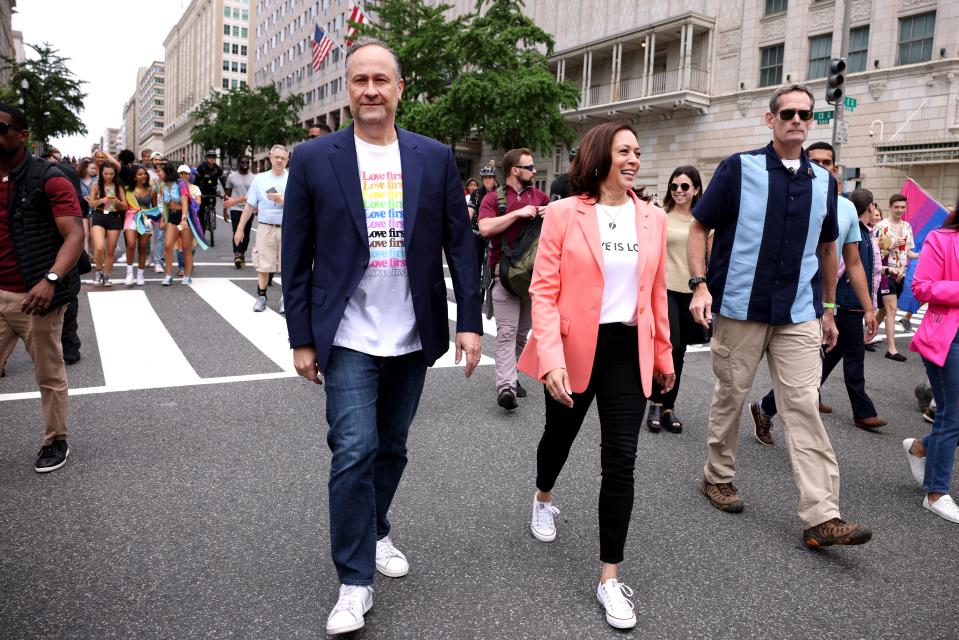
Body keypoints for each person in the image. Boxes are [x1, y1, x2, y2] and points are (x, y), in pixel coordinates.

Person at [282, 37, 482, 636]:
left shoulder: (433, 157)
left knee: (391, 447)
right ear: (348, 89)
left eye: (381, 80)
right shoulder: (315, 160)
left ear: (399, 89)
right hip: (344, 333)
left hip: (412, 333)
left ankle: (375, 527)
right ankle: (354, 580)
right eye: (359, 80)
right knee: (353, 450)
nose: (370, 89)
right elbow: (295, 257)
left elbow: (461, 245)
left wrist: (469, 321)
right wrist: (301, 338)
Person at [688, 84, 872, 548]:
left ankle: (822, 515)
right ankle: (717, 475)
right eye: (787, 112)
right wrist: (699, 283)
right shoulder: (738, 168)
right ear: (770, 119)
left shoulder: (825, 183)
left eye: (804, 114)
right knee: (731, 395)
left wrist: (829, 310)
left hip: (798, 313)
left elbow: (828, 249)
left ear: (812, 122)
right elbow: (698, 226)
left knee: (804, 406)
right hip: (739, 307)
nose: (796, 119)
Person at [516, 121, 674, 630]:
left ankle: (609, 578)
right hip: (573, 346)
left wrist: (663, 356)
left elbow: (655, 295)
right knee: (558, 436)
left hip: (629, 349)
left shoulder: (651, 216)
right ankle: (543, 496)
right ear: (600, 154)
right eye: (624, 150)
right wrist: (552, 357)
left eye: (638, 151)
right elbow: (543, 290)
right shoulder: (564, 213)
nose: (634, 158)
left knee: (621, 460)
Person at [751, 144, 882, 440]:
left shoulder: (846, 208)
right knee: (811, 372)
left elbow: (853, 261)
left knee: (823, 365)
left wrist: (869, 307)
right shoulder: (788, 196)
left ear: (835, 169)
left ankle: (770, 410)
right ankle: (772, 410)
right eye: (815, 161)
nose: (822, 166)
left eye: (828, 162)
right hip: (796, 298)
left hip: (831, 300)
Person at [0, 103, 84, 472]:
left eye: (1, 128)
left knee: (49, 374)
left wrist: (51, 279)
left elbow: (75, 235)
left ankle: (55, 441)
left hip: (35, 296)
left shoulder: (49, 178)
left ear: (22, 135)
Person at [478, 148, 550, 410]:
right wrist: (517, 214)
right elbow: (485, 228)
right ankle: (505, 386)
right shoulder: (493, 199)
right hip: (503, 277)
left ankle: (512, 374)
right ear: (514, 171)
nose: (534, 171)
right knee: (507, 333)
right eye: (529, 167)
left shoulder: (541, 197)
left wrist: (548, 213)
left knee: (521, 335)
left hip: (533, 279)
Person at [902, 205, 959, 523]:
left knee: (953, 416)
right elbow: (921, 286)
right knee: (953, 413)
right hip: (949, 340)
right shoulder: (942, 238)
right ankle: (936, 493)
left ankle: (922, 447)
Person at [645, 165, 707, 434]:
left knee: (680, 353)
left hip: (692, 293)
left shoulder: (704, 221)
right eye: (674, 186)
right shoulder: (661, 216)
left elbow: (710, 260)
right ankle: (655, 402)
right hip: (664, 290)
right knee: (670, 345)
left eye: (684, 186)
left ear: (696, 189)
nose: (679, 191)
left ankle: (668, 406)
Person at [234, 145, 288, 312]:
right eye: (276, 157)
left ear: (287, 160)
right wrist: (240, 229)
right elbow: (250, 206)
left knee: (288, 265)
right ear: (270, 157)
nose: (279, 160)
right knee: (263, 265)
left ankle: (286, 299)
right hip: (265, 227)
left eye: (283, 158)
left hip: (288, 229)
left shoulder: (293, 178)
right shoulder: (260, 179)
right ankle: (261, 296)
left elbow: (302, 204)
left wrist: (283, 200)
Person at [874, 193, 917, 359]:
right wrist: (891, 245)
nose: (900, 210)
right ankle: (891, 349)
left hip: (901, 274)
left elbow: (908, 252)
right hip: (886, 272)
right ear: (890, 207)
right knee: (892, 309)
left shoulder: (907, 227)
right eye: (896, 207)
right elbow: (875, 252)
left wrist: (922, 254)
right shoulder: (881, 226)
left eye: (903, 207)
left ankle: (864, 338)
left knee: (884, 311)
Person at [89, 163, 127, 286]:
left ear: (115, 174)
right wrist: (101, 200)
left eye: (111, 173)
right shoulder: (96, 185)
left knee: (110, 251)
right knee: (99, 247)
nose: (108, 176)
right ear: (101, 172)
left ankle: (106, 275)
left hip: (114, 217)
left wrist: (118, 202)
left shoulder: (118, 186)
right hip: (99, 216)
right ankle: (99, 271)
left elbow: (125, 206)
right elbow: (91, 204)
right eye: (106, 173)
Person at [157, 162, 195, 285]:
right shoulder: (162, 186)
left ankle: (187, 275)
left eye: (160, 171)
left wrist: (184, 219)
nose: (159, 174)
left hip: (184, 217)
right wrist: (163, 220)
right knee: (168, 245)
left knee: (186, 248)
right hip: (172, 217)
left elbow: (184, 202)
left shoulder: (181, 184)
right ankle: (168, 275)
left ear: (167, 173)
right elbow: (165, 205)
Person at [121, 165, 156, 286]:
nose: (143, 176)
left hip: (145, 220)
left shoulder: (151, 190)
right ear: (135, 177)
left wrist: (157, 220)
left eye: (145, 174)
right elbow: (123, 205)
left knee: (142, 248)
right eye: (140, 174)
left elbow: (155, 207)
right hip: (131, 218)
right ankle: (129, 273)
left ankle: (140, 274)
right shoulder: (127, 190)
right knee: (130, 244)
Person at [224, 155, 255, 269]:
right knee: (236, 230)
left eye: (247, 162)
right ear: (238, 164)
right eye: (242, 162)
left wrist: (257, 208)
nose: (245, 164)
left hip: (249, 208)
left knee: (246, 233)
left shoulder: (254, 178)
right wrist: (225, 210)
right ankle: (237, 254)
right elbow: (227, 194)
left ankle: (242, 253)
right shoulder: (231, 177)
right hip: (235, 208)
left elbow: (255, 195)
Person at [467, 164, 496, 279]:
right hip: (478, 231)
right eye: (485, 178)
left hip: (494, 231)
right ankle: (476, 283)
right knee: (475, 259)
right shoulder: (477, 193)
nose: (487, 180)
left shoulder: (501, 192)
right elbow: (470, 210)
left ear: (494, 178)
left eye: (490, 177)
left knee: (497, 259)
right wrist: (465, 225)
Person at [195, 150, 224, 227]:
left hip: (212, 190)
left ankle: (211, 214)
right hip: (202, 190)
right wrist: (195, 192)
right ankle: (201, 227)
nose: (212, 159)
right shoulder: (201, 167)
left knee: (212, 203)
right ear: (207, 158)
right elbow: (196, 181)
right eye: (210, 157)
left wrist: (225, 194)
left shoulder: (218, 169)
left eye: (214, 158)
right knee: (201, 211)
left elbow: (223, 182)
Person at [77, 157, 97, 255]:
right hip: (83, 209)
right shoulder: (78, 180)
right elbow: (75, 193)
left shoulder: (96, 180)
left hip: (94, 209)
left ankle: (94, 252)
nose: (94, 170)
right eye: (92, 168)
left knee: (93, 234)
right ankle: (85, 255)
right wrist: (82, 197)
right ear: (85, 168)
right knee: (85, 233)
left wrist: (94, 198)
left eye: (95, 168)